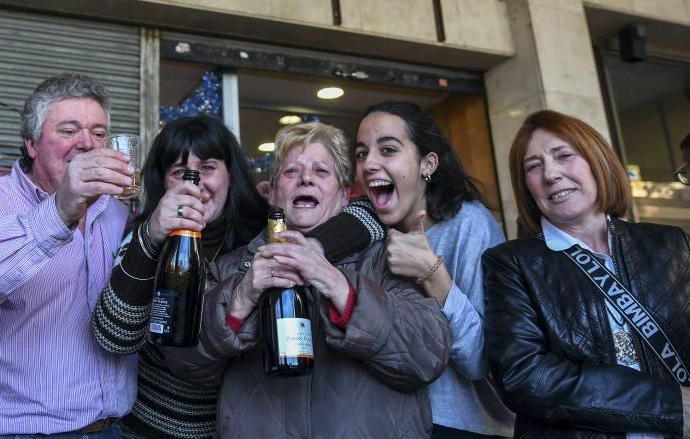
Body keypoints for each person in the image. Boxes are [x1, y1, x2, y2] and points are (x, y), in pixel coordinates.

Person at [92, 115, 387, 439]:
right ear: (162, 183)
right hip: (146, 429)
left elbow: (370, 213)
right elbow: (114, 339)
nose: (194, 185)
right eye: (180, 173)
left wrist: (314, 248)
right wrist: (150, 236)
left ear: (230, 176)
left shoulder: (259, 234)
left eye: (207, 168)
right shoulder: (145, 237)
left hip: (225, 429)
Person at [162, 122, 450, 438]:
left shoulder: (387, 260)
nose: (306, 178)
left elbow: (428, 357)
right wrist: (242, 296)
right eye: (291, 171)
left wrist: (337, 284)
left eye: (322, 171)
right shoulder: (233, 267)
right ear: (270, 194)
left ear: (344, 196)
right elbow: (184, 363)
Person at [0, 73, 137, 437]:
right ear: (32, 144)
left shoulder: (116, 211)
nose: (87, 144)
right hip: (3, 432)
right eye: (69, 131)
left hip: (106, 428)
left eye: (98, 133)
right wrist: (59, 211)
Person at [483, 109, 690, 437]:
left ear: (597, 161)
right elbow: (525, 376)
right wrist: (669, 405)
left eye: (564, 156)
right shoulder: (512, 263)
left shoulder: (669, 244)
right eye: (534, 167)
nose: (551, 174)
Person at [352, 101, 514, 438]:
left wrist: (431, 273)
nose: (369, 164)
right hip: (388, 423)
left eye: (388, 150)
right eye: (362, 153)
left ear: (427, 163)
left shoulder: (468, 224)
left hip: (457, 426)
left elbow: (481, 360)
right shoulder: (368, 231)